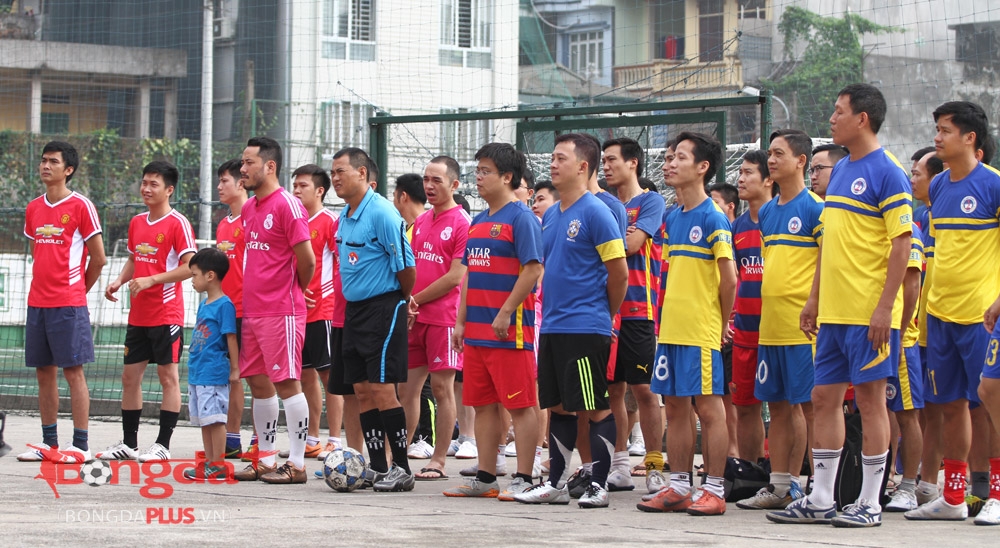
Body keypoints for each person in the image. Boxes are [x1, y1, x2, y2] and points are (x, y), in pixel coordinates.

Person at [771, 84, 912, 527]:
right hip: (832, 313)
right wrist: (815, 299)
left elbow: (902, 244)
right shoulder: (843, 169)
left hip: (868, 313)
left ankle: (870, 501)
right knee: (823, 397)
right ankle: (821, 497)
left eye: (839, 111)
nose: (831, 119)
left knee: (870, 403)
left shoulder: (889, 172)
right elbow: (831, 243)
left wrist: (885, 308)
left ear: (862, 119)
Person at [514, 133, 628, 509]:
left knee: (594, 406)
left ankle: (599, 485)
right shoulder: (550, 215)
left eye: (560, 158)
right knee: (559, 406)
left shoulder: (597, 212)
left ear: (582, 166)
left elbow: (619, 273)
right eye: (552, 157)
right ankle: (556, 483)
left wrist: (604, 315)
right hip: (553, 326)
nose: (552, 164)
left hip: (586, 327)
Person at [906, 101, 1000, 524]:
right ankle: (954, 497)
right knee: (949, 406)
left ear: (969, 137)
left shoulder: (993, 185)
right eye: (937, 129)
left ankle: (996, 493)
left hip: (981, 315)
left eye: (945, 130)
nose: (937, 137)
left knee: (990, 403)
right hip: (939, 316)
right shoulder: (940, 185)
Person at [637, 131, 736, 517]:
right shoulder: (672, 217)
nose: (670, 164)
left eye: (679, 157)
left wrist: (722, 324)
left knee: (709, 409)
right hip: (670, 330)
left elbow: (729, 279)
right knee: (676, 407)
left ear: (702, 167)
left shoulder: (713, 216)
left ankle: (714, 488)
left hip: (701, 331)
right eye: (668, 157)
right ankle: (678, 486)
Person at [443, 142, 543, 499]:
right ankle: (486, 478)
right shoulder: (479, 221)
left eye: (486, 171)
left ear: (507, 177)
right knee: (483, 404)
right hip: (476, 334)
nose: (479, 177)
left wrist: (505, 312)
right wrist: (461, 322)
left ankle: (525, 478)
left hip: (509, 333)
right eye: (478, 170)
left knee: (520, 405)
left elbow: (533, 269)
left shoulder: (521, 218)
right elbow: (470, 274)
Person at [737, 129, 822, 511]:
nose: (771, 160)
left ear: (801, 161)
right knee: (779, 406)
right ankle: (780, 485)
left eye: (779, 154)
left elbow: (826, 262)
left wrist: (813, 304)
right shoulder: (769, 212)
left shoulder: (815, 208)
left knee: (807, 406)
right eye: (769, 154)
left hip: (802, 327)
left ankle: (814, 486)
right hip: (769, 326)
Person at [231, 137, 316, 484]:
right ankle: (265, 458)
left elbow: (307, 260)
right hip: (253, 310)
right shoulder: (249, 208)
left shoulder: (288, 205)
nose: (242, 169)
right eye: (242, 162)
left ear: (270, 166)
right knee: (258, 383)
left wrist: (295, 290)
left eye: (248, 162)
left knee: (287, 382)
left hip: (281, 310)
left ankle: (296, 464)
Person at [332, 147, 417, 492]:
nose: (335, 178)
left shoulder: (382, 212)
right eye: (332, 172)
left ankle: (403, 468)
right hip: (354, 311)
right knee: (362, 390)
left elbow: (407, 268)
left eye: (341, 171)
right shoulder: (345, 215)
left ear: (362, 173)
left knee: (383, 388)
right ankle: (378, 467)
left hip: (383, 307)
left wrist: (401, 300)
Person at [99, 161, 196, 463]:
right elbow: (134, 258)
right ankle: (129, 444)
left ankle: (163, 445)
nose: (146, 188)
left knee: (168, 377)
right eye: (144, 182)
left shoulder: (178, 223)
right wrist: (119, 280)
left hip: (166, 314)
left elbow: (190, 267)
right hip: (138, 315)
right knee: (129, 377)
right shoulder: (137, 222)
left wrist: (152, 280)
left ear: (169, 190)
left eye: (154, 184)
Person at [18, 141, 106, 463]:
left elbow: (99, 259)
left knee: (73, 372)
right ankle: (49, 444)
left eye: (53, 162)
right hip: (37, 303)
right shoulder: (33, 208)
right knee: (44, 373)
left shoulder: (82, 206)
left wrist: (77, 291)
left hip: (68, 304)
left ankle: (81, 445)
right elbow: (36, 254)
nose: (45, 166)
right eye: (43, 160)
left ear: (68, 170)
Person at [601, 137, 666, 494]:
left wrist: (610, 240)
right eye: (603, 161)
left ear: (633, 163)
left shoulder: (650, 201)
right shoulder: (603, 204)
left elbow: (631, 245)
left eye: (612, 160)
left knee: (643, 389)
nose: (606, 166)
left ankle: (654, 464)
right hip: (606, 311)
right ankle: (619, 464)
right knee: (612, 389)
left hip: (639, 309)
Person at [401, 156, 470, 480]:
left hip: (443, 318)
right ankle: (395, 456)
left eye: (436, 180)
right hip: (414, 317)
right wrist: (407, 301)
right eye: (426, 179)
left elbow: (456, 276)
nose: (428, 186)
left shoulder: (462, 223)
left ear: (454, 184)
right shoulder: (421, 221)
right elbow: (412, 265)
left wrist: (416, 299)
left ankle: (438, 460)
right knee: (406, 390)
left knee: (442, 389)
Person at [291, 164, 340, 460]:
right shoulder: (293, 221)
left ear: (320, 190)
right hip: (297, 311)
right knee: (305, 376)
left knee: (329, 376)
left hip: (323, 311)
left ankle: (335, 439)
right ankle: (312, 438)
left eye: (303, 186)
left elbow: (342, 264)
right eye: (294, 186)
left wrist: (325, 293)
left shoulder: (330, 222)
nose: (297, 191)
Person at [730, 149, 773, 464]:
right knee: (744, 407)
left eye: (748, 173)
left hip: (781, 330)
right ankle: (750, 471)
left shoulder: (786, 218)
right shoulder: (737, 227)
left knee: (790, 407)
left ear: (769, 179)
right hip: (744, 331)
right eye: (740, 172)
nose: (740, 179)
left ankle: (788, 478)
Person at [909, 147, 946, 506]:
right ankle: (925, 481)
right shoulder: (920, 217)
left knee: (967, 406)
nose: (912, 179)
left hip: (956, 324)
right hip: (922, 330)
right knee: (926, 407)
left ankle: (978, 481)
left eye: (918, 173)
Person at [183, 248, 238, 481]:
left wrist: (235, 369)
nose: (192, 280)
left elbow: (231, 337)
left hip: (213, 372)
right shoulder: (204, 304)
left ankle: (219, 464)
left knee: (216, 420)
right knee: (205, 421)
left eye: (194, 275)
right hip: (198, 371)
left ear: (210, 275)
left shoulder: (225, 305)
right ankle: (209, 462)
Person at [883, 220, 926, 511]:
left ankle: (909, 486)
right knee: (877, 409)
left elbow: (912, 284)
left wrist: (900, 331)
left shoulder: (909, 228)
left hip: (901, 340)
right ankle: (882, 479)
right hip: (873, 335)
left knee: (907, 414)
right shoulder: (873, 223)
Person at [215, 158, 249, 459]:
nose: (219, 186)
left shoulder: (253, 220)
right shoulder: (224, 225)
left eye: (224, 180)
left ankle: (259, 439)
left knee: (257, 377)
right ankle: (232, 438)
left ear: (241, 183)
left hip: (251, 310)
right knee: (230, 375)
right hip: (226, 312)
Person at [393, 173, 427, 240]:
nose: (393, 202)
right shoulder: (428, 226)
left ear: (403, 196)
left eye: (394, 196)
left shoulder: (417, 232)